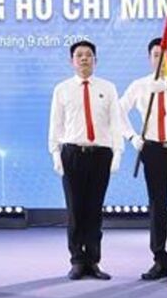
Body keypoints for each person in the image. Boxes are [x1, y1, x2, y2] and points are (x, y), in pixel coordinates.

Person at [119, 38, 167, 282]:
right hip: (153, 150)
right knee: (157, 205)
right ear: (149, 58)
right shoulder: (140, 85)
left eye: (166, 55)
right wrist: (132, 137)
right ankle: (159, 260)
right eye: (156, 55)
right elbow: (118, 111)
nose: (161, 60)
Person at [48, 40, 125, 280]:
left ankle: (93, 261)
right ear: (72, 61)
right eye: (79, 55)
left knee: (94, 210)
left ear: (95, 60)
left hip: (101, 154)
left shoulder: (108, 88)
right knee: (75, 210)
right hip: (72, 154)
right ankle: (77, 261)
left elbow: (115, 122)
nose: (84, 59)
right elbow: (56, 124)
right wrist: (55, 153)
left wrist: (118, 152)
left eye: (88, 55)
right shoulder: (62, 89)